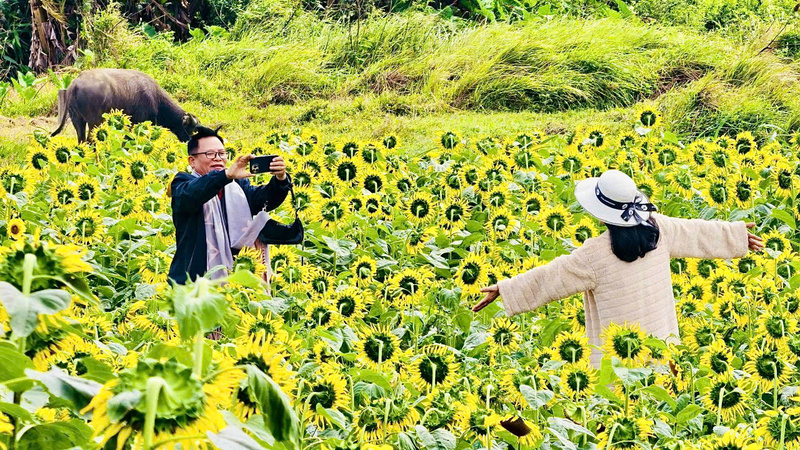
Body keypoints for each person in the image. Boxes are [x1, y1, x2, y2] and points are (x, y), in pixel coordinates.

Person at [472, 169, 764, 368]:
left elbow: (552, 277)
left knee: (619, 406)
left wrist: (505, 288)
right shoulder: (659, 230)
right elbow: (698, 233)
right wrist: (736, 235)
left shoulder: (594, 254)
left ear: (601, 214)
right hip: (662, 342)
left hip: (620, 356)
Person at [167, 126, 291, 285]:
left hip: (235, 279)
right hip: (192, 283)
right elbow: (192, 194)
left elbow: (263, 200)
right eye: (210, 154)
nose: (218, 158)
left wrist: (280, 179)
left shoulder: (237, 184)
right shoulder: (182, 183)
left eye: (221, 153)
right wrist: (225, 176)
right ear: (192, 161)